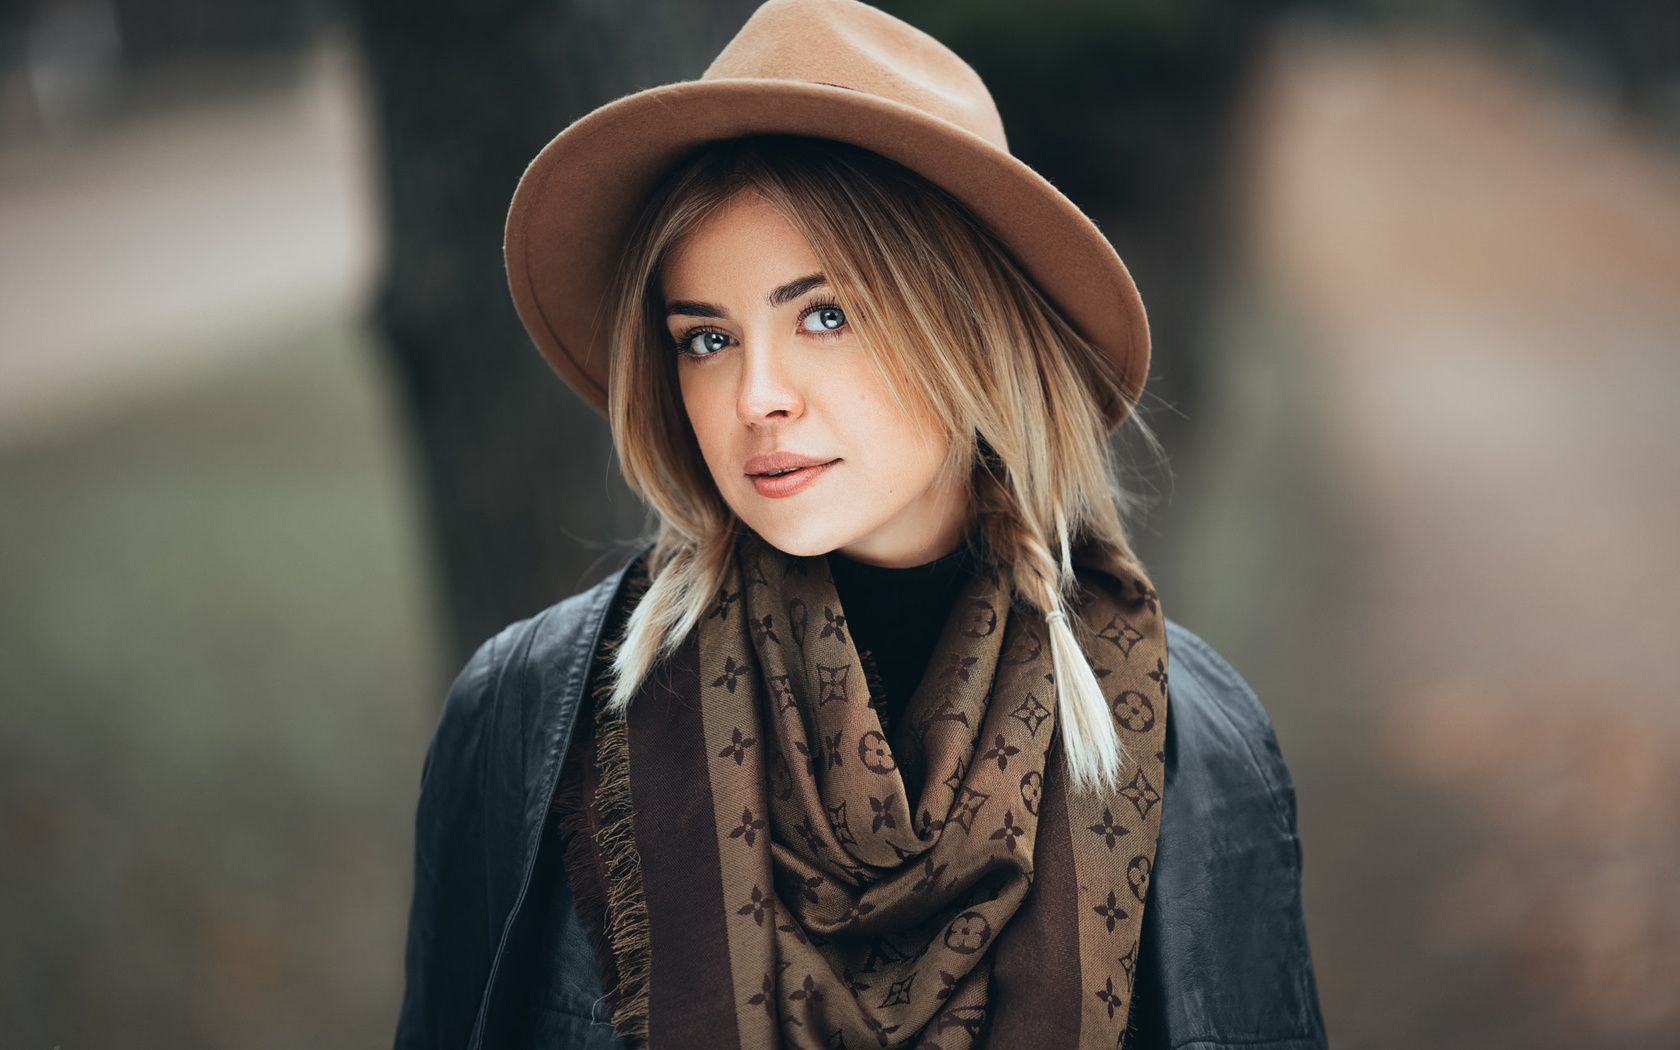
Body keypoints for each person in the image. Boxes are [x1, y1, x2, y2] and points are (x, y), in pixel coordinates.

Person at [394, 1, 1326, 1048]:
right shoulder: (526, 721)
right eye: (706, 339)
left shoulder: (1197, 748)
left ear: (973, 327)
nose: (757, 396)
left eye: (824, 316)